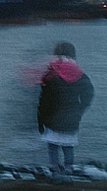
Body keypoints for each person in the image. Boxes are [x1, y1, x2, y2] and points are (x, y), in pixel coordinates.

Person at [37, 41, 94, 175]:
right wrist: (80, 108)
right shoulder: (79, 74)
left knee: (53, 146)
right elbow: (89, 92)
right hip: (72, 116)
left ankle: (54, 168)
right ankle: (69, 168)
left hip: (52, 117)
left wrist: (40, 120)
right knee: (68, 146)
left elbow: (44, 101)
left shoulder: (50, 75)